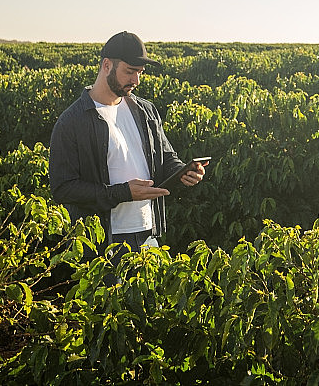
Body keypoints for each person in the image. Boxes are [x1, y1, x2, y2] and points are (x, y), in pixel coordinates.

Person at [49, 31, 206, 261]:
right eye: (129, 72)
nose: (136, 81)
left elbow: (166, 156)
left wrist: (183, 171)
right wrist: (123, 193)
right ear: (106, 65)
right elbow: (63, 188)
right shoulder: (72, 121)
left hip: (148, 235)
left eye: (140, 73)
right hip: (103, 244)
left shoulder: (146, 110)